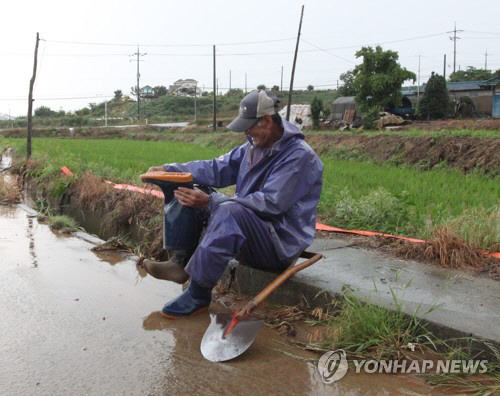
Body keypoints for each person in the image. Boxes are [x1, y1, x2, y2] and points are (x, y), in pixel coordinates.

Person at [145, 90, 323, 318]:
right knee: (191, 188)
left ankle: (198, 293)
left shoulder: (298, 157)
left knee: (227, 208)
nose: (247, 132)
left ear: (267, 121)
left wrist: (211, 202)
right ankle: (179, 262)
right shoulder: (253, 147)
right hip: (251, 231)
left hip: (277, 243)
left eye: (251, 126)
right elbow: (215, 168)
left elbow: (270, 202)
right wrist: (170, 170)